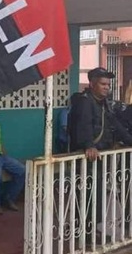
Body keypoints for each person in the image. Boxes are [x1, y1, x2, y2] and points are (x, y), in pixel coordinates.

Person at [68, 67, 132, 240]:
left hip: (100, 157)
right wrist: (88, 145)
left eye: (108, 84)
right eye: (103, 84)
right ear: (91, 84)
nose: (106, 87)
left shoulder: (103, 104)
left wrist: (129, 140)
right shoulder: (85, 102)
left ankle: (90, 229)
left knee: (97, 195)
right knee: (86, 195)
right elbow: (83, 125)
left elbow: (116, 126)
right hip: (86, 156)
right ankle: (82, 233)